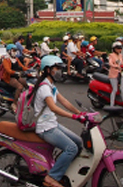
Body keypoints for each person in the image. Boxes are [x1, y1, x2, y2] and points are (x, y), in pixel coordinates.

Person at [33, 55, 84, 187]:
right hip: (45, 127)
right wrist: (73, 117)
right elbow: (53, 107)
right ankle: (52, 177)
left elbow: (64, 101)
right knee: (71, 148)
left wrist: (80, 113)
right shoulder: (44, 87)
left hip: (52, 124)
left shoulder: (51, 85)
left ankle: (64, 169)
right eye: (57, 68)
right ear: (48, 70)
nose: (59, 71)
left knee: (78, 142)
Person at [1, 44, 29, 112]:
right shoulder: (6, 59)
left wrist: (29, 70)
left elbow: (22, 67)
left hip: (16, 76)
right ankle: (14, 104)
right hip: (9, 77)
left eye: (15, 50)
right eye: (13, 50)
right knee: (20, 87)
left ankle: (24, 99)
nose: (15, 52)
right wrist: (15, 72)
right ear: (9, 51)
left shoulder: (16, 59)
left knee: (27, 84)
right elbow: (8, 70)